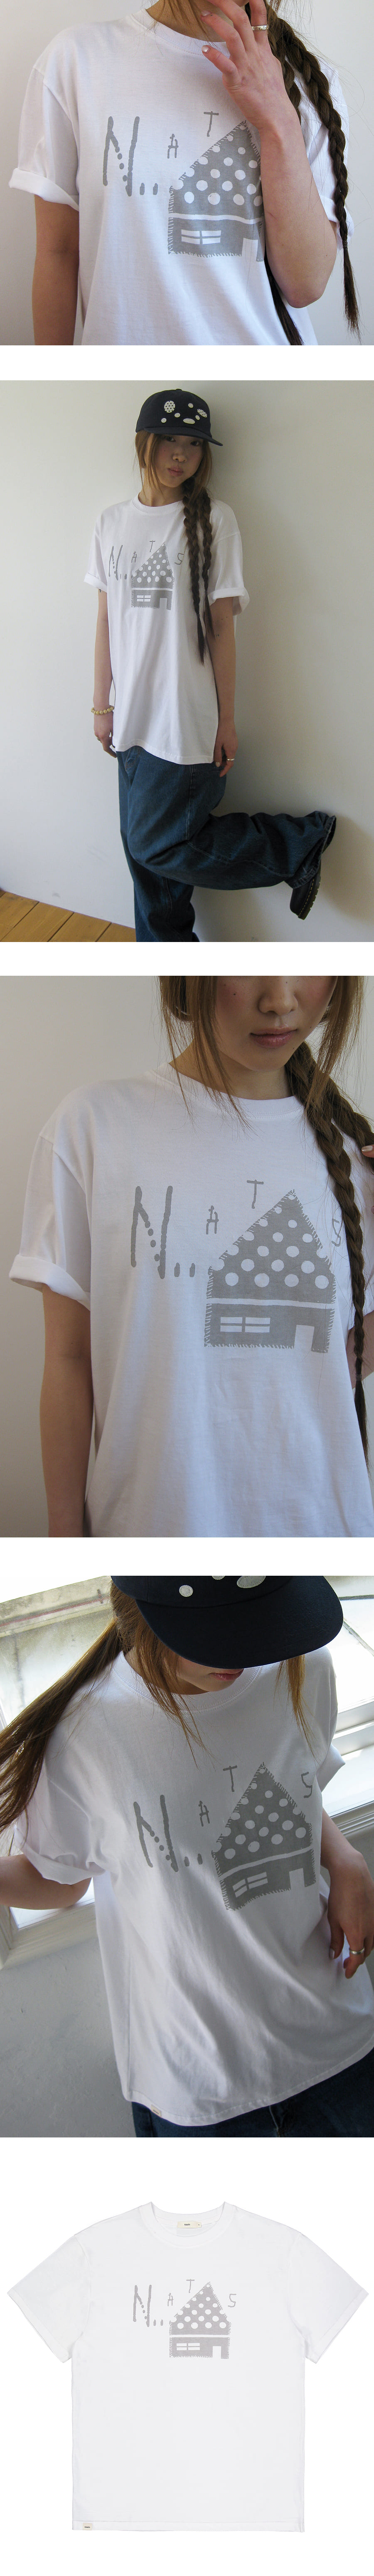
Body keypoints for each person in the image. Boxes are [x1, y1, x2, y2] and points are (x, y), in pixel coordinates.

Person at [1, 1575, 374, 2137]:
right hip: (203, 2085)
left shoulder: (301, 1665)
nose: (242, 1651)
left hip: (341, 2044)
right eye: (218, 1633)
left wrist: (345, 1857)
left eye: (256, 1621)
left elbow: (290, 1789)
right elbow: (61, 1879)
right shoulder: (84, 1734)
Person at [9, 974, 374, 1537]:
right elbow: (69, 1358)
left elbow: (345, 1361)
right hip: (150, 1525)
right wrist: (64, 1535)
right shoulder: (92, 1126)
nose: (280, 1000)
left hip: (323, 1524)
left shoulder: (354, 1158)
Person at [87, 388, 335, 941]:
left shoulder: (216, 521)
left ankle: (296, 845)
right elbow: (105, 620)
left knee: (155, 845)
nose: (181, 454)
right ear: (144, 443)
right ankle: (169, 959)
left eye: (194, 444)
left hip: (185, 722)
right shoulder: (111, 522)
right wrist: (102, 705)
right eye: (169, 441)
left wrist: (226, 719)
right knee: (146, 864)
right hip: (131, 721)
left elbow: (223, 629)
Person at [10, 0, 358, 348]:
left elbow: (306, 285)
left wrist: (279, 121)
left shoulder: (310, 83)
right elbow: (58, 252)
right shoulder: (77, 59)